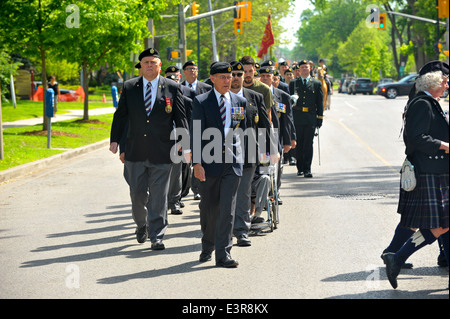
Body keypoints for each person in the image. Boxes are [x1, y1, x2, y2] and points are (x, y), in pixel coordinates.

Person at [109, 48, 189, 250]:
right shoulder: (129, 87)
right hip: (135, 152)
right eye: (146, 62)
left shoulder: (171, 87)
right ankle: (141, 224)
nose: (150, 66)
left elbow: (180, 118)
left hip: (162, 152)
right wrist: (115, 140)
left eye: (154, 62)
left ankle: (157, 235)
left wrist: (184, 143)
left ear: (160, 65)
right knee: (137, 194)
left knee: (159, 195)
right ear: (141, 66)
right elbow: (121, 116)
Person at [383, 60, 449, 289]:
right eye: (444, 82)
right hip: (430, 170)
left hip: (438, 170)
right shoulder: (422, 104)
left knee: (443, 225)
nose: (447, 85)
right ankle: (397, 256)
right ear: (433, 84)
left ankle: (397, 256)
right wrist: (445, 146)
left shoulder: (431, 102)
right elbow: (417, 138)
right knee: (439, 225)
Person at [191, 62, 247, 268]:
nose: (227, 80)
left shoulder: (239, 101)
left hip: (232, 163)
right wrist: (197, 163)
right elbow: (196, 133)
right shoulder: (201, 101)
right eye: (222, 77)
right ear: (212, 78)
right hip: (208, 162)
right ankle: (208, 244)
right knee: (209, 208)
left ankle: (223, 253)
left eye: (229, 76)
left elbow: (244, 133)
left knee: (227, 209)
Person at [229, 60, 275, 247]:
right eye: (234, 74)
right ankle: (224, 228)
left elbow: (265, 125)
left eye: (240, 75)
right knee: (225, 194)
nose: (237, 77)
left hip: (248, 153)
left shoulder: (255, 97)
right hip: (220, 153)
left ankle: (241, 231)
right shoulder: (217, 97)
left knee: (243, 193)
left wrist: (271, 151)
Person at [181, 60, 212, 201]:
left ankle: (197, 188)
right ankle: (185, 188)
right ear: (184, 72)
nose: (192, 71)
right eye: (189, 69)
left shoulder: (206, 88)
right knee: (188, 160)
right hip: (186, 128)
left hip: (203, 128)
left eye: (194, 68)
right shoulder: (178, 88)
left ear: (197, 71)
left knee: (200, 159)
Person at [289, 60, 324, 178]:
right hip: (297, 116)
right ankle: (300, 168)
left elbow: (319, 102)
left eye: (306, 67)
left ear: (310, 69)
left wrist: (320, 118)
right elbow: (289, 102)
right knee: (299, 143)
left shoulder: (316, 83)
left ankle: (307, 169)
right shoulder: (294, 83)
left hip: (310, 117)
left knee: (308, 144)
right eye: (302, 67)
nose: (304, 69)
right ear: (299, 69)